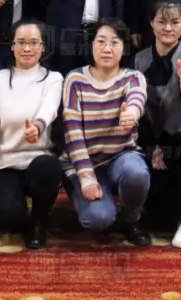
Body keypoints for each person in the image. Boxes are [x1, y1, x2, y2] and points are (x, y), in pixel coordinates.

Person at [60, 18, 152, 246]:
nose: (107, 48)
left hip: (121, 157)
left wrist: (131, 113)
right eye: (101, 41)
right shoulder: (75, 79)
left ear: (124, 47)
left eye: (114, 42)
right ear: (91, 45)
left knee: (136, 173)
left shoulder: (133, 77)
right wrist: (86, 178)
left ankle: (132, 219)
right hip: (85, 162)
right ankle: (92, 198)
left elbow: (137, 98)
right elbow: (72, 134)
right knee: (98, 219)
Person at [0, 20, 65, 249]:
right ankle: (23, 217)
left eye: (33, 43)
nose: (27, 48)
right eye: (21, 42)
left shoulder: (53, 78)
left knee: (48, 166)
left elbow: (50, 109)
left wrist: (38, 127)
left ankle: (39, 222)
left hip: (38, 160)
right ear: (12, 46)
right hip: (5, 163)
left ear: (42, 47)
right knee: (8, 219)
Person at [131, 0, 181, 248]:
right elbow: (139, 110)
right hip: (150, 142)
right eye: (161, 21)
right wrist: (153, 146)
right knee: (156, 208)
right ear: (151, 23)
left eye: (175, 22)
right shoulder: (138, 60)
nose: (168, 28)